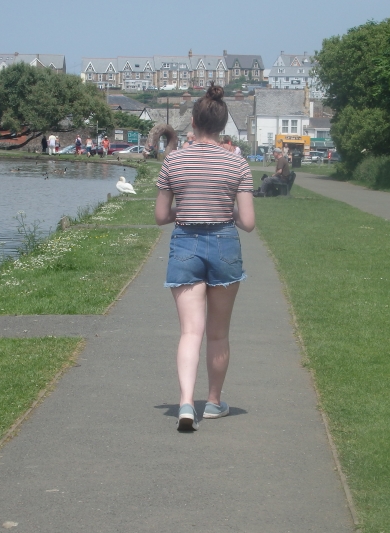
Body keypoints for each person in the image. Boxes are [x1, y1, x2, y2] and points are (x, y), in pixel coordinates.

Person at [155, 83, 256, 432]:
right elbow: (248, 222)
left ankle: (186, 402)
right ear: (224, 125)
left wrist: (185, 211)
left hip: (185, 244)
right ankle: (213, 402)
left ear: (194, 122)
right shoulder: (237, 162)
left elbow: (161, 216)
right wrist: (223, 209)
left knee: (190, 332)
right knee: (218, 334)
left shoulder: (174, 160)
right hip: (225, 243)